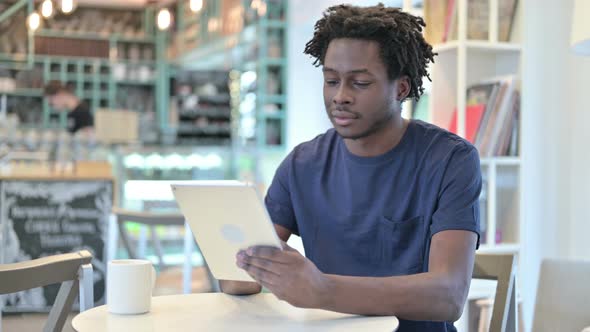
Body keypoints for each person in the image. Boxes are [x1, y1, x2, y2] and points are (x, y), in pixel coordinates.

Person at [221, 4, 481, 332]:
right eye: (331, 80)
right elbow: (239, 281)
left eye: (359, 83)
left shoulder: (450, 160)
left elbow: (449, 296)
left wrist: (321, 289)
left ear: (401, 88)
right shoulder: (301, 164)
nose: (340, 96)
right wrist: (248, 267)